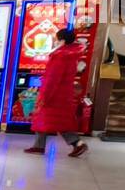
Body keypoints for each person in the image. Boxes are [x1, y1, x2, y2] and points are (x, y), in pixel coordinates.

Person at [25, 28, 89, 158]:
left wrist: (45, 95)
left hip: (54, 94)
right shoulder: (71, 54)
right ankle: (75, 143)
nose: (55, 42)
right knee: (58, 121)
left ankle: (76, 143)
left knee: (43, 118)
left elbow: (52, 78)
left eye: (57, 39)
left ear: (62, 40)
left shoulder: (60, 56)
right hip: (64, 93)